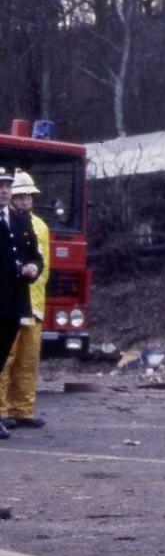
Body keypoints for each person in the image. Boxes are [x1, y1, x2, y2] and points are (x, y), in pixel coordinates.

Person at [0, 171, 52, 430]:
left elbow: (41, 263)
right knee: (5, 357)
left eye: (28, 196)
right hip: (10, 301)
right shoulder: (10, 222)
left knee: (28, 360)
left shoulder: (38, 225)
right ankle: (2, 410)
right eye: (20, 196)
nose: (24, 201)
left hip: (33, 303)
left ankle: (23, 409)